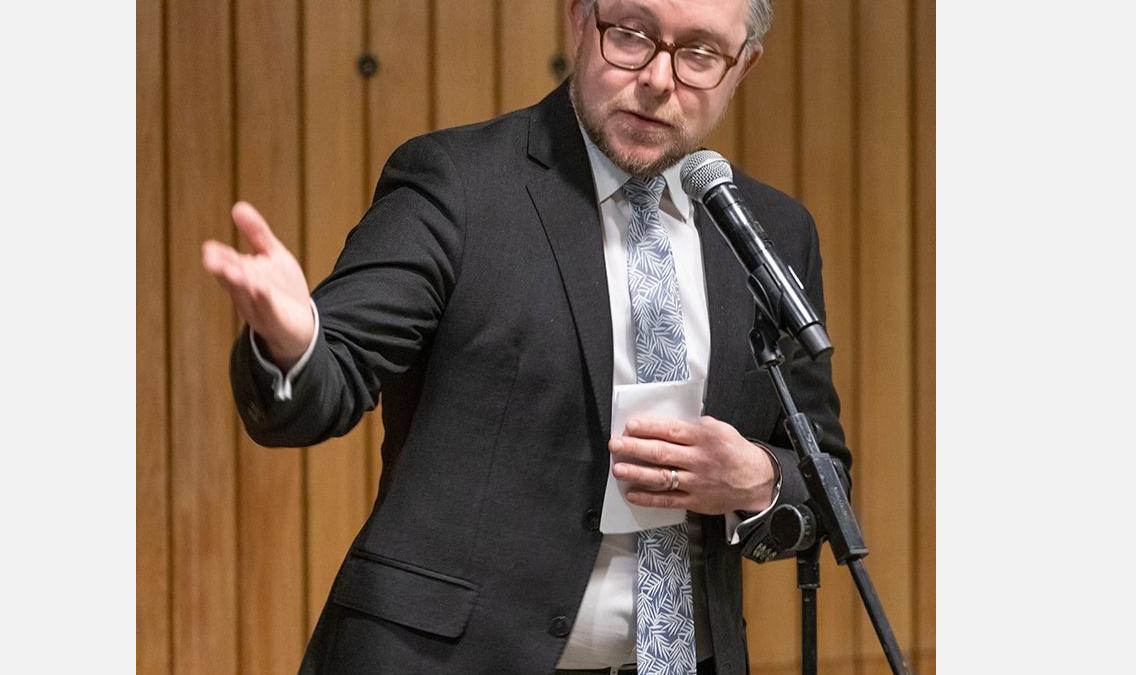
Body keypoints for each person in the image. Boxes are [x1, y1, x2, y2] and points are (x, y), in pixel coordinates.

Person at [201, 1, 850, 673]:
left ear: (743, 66)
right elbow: (330, 378)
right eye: (631, 35)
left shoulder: (772, 231)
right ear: (580, 18)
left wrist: (758, 478)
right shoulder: (459, 184)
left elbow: (825, 476)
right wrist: (294, 344)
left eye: (699, 54)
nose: (658, 79)